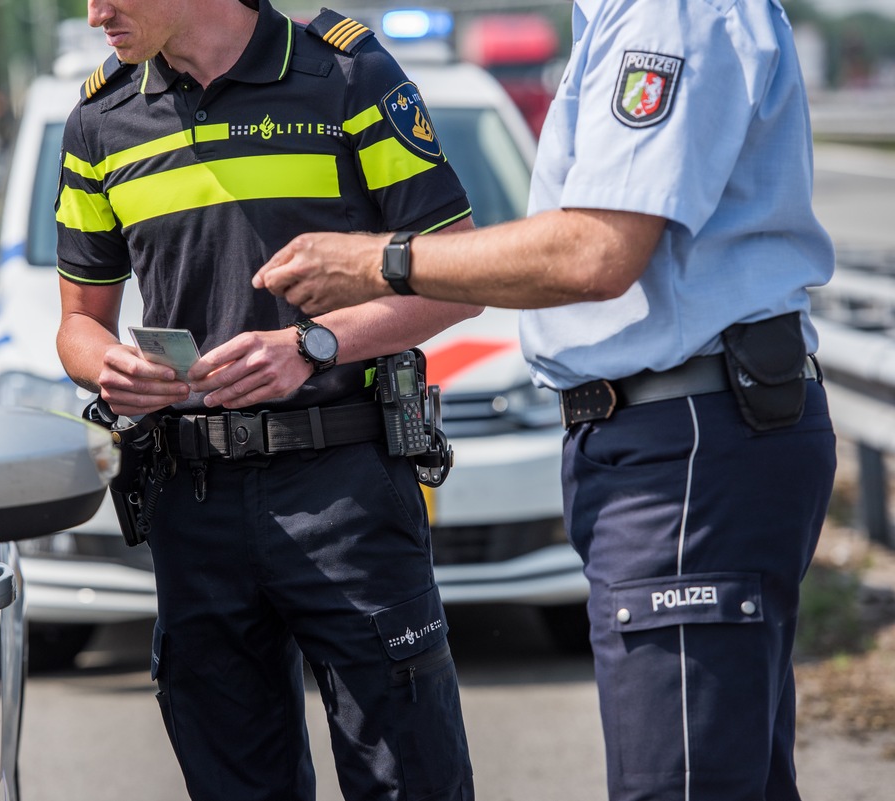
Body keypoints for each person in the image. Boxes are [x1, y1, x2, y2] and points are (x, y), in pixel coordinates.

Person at [253, 1, 836, 800]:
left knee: (680, 782)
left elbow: (595, 251)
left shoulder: (663, 11)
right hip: (678, 427)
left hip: (685, 435)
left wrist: (382, 260)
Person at [54, 1, 482, 798]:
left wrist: (312, 345)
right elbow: (79, 323)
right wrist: (108, 366)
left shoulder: (347, 74)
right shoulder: (98, 119)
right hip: (193, 502)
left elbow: (459, 279)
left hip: (347, 486)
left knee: (409, 778)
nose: (93, 13)